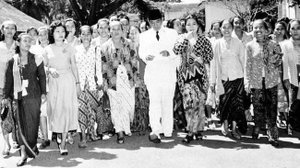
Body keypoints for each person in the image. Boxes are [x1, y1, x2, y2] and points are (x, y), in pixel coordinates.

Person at [3, 33, 47, 166]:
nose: (28, 43)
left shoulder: (37, 58)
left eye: (30, 41)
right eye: (25, 41)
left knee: (33, 123)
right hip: (18, 97)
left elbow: (42, 76)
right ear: (18, 43)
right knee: (20, 124)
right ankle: (23, 153)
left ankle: (32, 145)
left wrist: (44, 92)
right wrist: (5, 96)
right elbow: (8, 80)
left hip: (34, 95)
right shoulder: (12, 61)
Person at [139, 9, 180, 143]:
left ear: (162, 20)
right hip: (153, 74)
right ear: (149, 22)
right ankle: (155, 130)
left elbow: (177, 50)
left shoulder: (172, 33)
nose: (156, 25)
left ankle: (167, 130)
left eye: (158, 22)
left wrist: (169, 53)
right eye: (152, 22)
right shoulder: (144, 35)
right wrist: (146, 56)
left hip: (168, 73)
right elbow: (141, 52)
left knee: (167, 103)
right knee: (155, 103)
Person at [173, 14, 213, 143]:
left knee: (200, 103)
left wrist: (202, 59)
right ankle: (190, 131)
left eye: (194, 24)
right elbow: (175, 50)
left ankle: (199, 130)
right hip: (185, 76)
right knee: (189, 104)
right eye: (188, 24)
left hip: (200, 76)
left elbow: (210, 55)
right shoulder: (181, 38)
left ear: (198, 25)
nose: (191, 27)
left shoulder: (204, 39)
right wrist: (186, 39)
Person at [44, 20, 80, 155]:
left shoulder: (69, 47)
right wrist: (50, 69)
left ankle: (63, 143)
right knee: (55, 111)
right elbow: (43, 66)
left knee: (66, 110)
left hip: (68, 82)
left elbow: (74, 66)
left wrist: (78, 84)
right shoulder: (47, 49)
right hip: (54, 83)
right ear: (52, 34)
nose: (60, 34)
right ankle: (58, 133)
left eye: (62, 31)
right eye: (57, 31)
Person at [245, 19, 283, 147]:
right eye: (255, 28)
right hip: (256, 81)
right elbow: (247, 65)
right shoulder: (250, 46)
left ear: (267, 30)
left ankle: (272, 133)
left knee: (271, 107)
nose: (258, 30)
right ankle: (257, 127)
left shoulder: (274, 45)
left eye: (260, 27)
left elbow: (278, 62)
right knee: (257, 106)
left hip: (270, 81)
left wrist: (272, 57)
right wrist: (247, 81)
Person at [101, 21, 138, 144]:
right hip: (113, 80)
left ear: (122, 30)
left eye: (118, 29)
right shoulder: (105, 47)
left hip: (127, 78)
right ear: (109, 31)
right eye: (113, 29)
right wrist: (105, 83)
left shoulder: (129, 44)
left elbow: (134, 62)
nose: (116, 31)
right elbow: (104, 65)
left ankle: (126, 126)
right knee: (116, 106)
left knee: (128, 105)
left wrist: (134, 79)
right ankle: (119, 131)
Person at [211, 19, 246, 140]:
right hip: (223, 78)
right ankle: (225, 124)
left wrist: (245, 80)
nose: (226, 30)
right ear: (220, 29)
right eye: (224, 27)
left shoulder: (238, 43)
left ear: (232, 29)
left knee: (237, 104)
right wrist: (213, 82)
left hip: (238, 77)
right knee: (224, 103)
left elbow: (243, 61)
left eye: (229, 27)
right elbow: (213, 64)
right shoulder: (217, 44)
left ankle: (234, 128)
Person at [75, 25, 104, 148]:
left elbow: (99, 68)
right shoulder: (75, 49)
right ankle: (83, 136)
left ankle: (92, 133)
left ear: (92, 35)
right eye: (83, 34)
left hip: (92, 83)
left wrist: (100, 84)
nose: (86, 36)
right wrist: (76, 83)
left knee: (92, 110)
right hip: (80, 84)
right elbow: (74, 68)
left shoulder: (96, 49)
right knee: (81, 109)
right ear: (80, 35)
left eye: (88, 34)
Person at [30, 26, 51, 149]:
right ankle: (45, 138)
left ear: (48, 35)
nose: (42, 37)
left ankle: (59, 135)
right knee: (42, 112)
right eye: (40, 34)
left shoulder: (53, 47)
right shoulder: (34, 49)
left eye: (45, 34)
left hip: (55, 82)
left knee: (55, 111)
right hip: (40, 84)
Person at [0, 20, 18, 156]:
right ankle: (6, 145)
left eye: (12, 28)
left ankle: (16, 139)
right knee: (4, 115)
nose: (10, 30)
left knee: (17, 115)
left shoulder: (19, 46)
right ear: (2, 30)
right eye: (7, 28)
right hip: (1, 87)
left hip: (17, 86)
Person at [128, 25, 150, 135]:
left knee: (143, 101)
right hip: (132, 78)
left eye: (134, 32)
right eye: (130, 33)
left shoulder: (144, 45)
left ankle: (143, 125)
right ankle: (135, 124)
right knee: (135, 102)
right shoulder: (128, 46)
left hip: (143, 76)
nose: (132, 35)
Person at [281, 19, 300, 136]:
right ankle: (291, 124)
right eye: (292, 28)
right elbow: (285, 63)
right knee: (293, 103)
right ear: (289, 30)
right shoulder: (285, 45)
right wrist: (286, 78)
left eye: (298, 28)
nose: (296, 31)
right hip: (293, 76)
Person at [273, 21, 290, 131]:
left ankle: (287, 120)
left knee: (285, 97)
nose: (279, 31)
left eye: (281, 29)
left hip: (284, 74)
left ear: (285, 31)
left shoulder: (288, 43)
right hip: (272, 74)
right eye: (277, 29)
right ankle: (275, 120)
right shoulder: (270, 42)